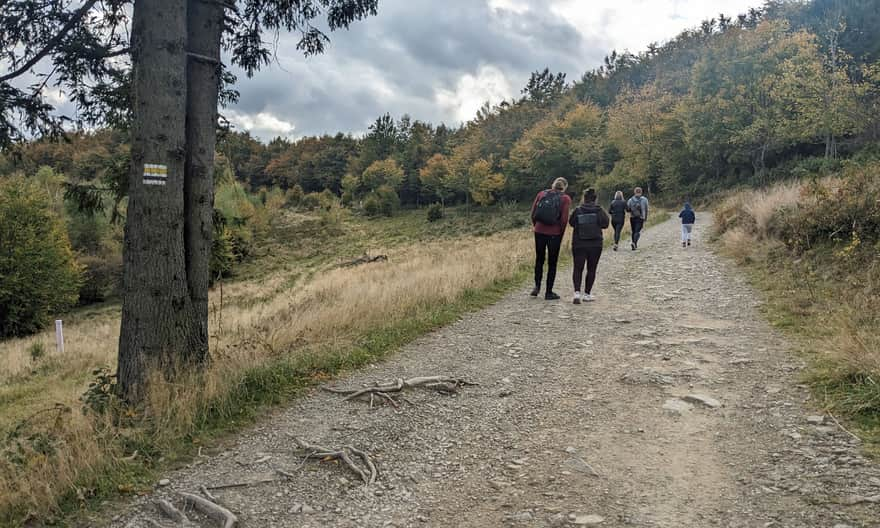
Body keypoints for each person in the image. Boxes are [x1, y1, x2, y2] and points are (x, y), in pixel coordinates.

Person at [530, 177, 572, 300]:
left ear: (552, 184)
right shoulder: (565, 198)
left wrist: (536, 226)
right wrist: (561, 233)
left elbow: (533, 212)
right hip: (554, 233)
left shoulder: (542, 193)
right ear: (564, 187)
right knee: (552, 263)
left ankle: (537, 286)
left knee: (539, 259)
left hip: (539, 230)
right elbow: (564, 219)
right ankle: (548, 292)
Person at [569, 188, 609, 304]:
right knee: (591, 269)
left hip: (579, 243)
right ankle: (587, 294)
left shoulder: (578, 210)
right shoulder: (599, 210)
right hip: (595, 244)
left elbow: (571, 223)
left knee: (578, 268)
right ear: (595, 199)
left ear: (584, 198)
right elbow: (606, 224)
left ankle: (576, 293)